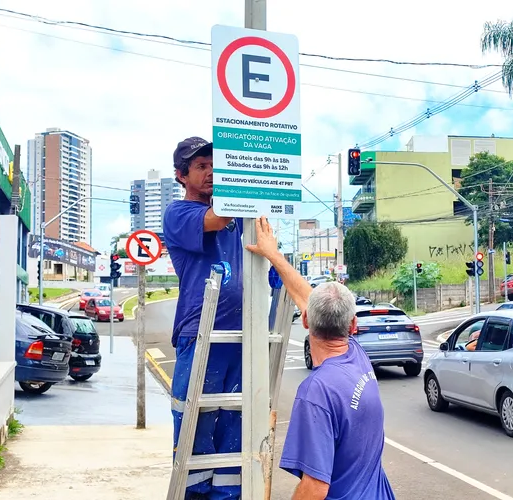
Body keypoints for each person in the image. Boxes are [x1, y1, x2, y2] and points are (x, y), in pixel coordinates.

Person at [246, 217, 396, 500]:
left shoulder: (317, 392)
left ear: (305, 321)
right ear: (352, 326)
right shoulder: (357, 356)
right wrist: (273, 255)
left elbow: (315, 488)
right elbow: (308, 297)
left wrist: (273, 253)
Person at [163, 136, 244, 499]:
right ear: (182, 175)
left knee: (234, 422)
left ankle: (229, 495)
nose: (211, 172)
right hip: (201, 332)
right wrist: (253, 179)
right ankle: (195, 494)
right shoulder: (180, 214)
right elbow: (217, 217)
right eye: (201, 166)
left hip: (242, 333)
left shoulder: (239, 217)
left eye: (214, 164)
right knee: (196, 423)